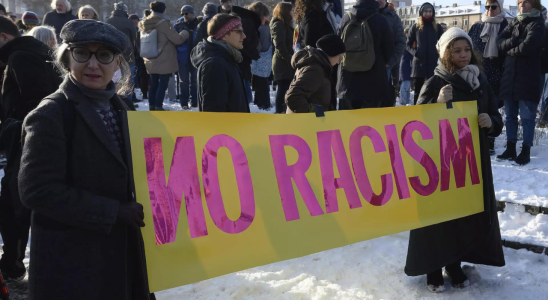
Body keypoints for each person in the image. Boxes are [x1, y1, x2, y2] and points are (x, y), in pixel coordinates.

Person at [19, 19, 154, 300]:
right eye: (82, 53)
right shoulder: (52, 114)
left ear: (117, 64)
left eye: (104, 55)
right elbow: (37, 191)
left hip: (121, 258)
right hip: (74, 264)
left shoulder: (124, 108)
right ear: (68, 58)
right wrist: (112, 211)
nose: (93, 65)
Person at [409, 27, 505, 293]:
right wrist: (437, 105)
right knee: (438, 215)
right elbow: (416, 124)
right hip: (440, 163)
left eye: (466, 50)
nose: (463, 55)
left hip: (471, 161)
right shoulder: (436, 82)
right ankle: (432, 267)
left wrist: (490, 122)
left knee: (462, 213)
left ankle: (453, 263)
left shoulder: (480, 81)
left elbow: (495, 117)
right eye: (456, 50)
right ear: (445, 53)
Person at [0, 16, 61, 282]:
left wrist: (13, 127)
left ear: (3, 37)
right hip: (29, 139)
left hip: (25, 140)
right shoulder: (30, 54)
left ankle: (15, 264)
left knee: (16, 204)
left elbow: (38, 104)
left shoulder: (20, 56)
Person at [496, 0, 545, 165]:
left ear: (534, 4)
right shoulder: (515, 21)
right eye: (519, 2)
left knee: (527, 117)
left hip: (527, 77)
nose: (522, 4)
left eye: (526, 1)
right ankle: (510, 148)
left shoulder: (537, 23)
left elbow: (528, 46)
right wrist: (513, 42)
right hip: (510, 75)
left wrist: (509, 51)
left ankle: (526, 151)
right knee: (510, 116)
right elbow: (499, 41)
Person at [468, 0, 509, 155]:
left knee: (492, 108)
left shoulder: (506, 27)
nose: (490, 10)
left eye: (494, 7)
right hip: (477, 74)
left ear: (500, 7)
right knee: (476, 107)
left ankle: (489, 141)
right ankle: (475, 138)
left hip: (497, 76)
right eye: (487, 7)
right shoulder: (477, 26)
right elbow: (470, 48)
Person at [337, 0, 394, 109]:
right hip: (374, 82)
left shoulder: (346, 19)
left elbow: (337, 46)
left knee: (348, 124)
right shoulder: (380, 20)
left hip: (347, 82)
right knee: (371, 123)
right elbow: (389, 49)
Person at [191, 13, 250, 112]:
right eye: (239, 32)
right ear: (223, 35)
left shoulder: (228, 58)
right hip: (227, 127)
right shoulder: (215, 65)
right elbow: (213, 112)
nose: (243, 36)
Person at [140, 1, 189, 111]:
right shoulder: (163, 23)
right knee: (163, 83)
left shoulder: (144, 22)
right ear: (163, 10)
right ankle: (158, 106)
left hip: (150, 56)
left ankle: (151, 105)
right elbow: (177, 39)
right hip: (164, 58)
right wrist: (185, 33)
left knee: (153, 83)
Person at [286, 34, 344, 113]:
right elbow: (293, 96)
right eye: (339, 57)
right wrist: (313, 113)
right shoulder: (315, 69)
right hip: (306, 123)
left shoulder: (318, 65)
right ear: (331, 53)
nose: (338, 62)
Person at [406, 2, 443, 104]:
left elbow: (443, 43)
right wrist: (416, 53)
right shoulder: (415, 27)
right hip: (419, 65)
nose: (428, 13)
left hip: (433, 65)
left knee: (433, 91)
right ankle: (417, 113)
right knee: (418, 92)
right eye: (426, 11)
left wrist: (439, 54)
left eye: (430, 11)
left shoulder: (437, 27)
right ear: (421, 13)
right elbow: (407, 44)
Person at [105, 2, 137, 101]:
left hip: (111, 56)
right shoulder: (129, 22)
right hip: (127, 56)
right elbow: (134, 38)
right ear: (125, 11)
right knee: (127, 81)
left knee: (111, 80)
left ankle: (112, 102)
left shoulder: (107, 21)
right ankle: (127, 104)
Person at [231, 5, 261, 105]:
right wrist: (254, 53)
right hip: (243, 57)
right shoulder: (247, 21)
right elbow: (245, 41)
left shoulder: (241, 19)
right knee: (244, 82)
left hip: (241, 56)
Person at [378, 0, 405, 107]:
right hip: (367, 65)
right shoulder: (366, 14)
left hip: (386, 66)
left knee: (384, 100)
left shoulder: (393, 17)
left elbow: (401, 41)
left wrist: (391, 61)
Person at [271, 2, 295, 113]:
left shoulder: (286, 24)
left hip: (286, 61)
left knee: (286, 88)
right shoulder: (279, 24)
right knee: (282, 88)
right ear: (285, 11)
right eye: (291, 10)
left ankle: (283, 110)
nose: (293, 12)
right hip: (282, 62)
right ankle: (279, 111)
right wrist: (290, 59)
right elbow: (280, 45)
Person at [175, 5, 201, 108]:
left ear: (192, 13)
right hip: (183, 57)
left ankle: (194, 101)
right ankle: (184, 102)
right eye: (183, 14)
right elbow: (174, 40)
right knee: (183, 81)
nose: (184, 15)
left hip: (196, 57)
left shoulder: (199, 24)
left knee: (195, 81)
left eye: (186, 13)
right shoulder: (178, 26)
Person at [249, 1, 271, 110]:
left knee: (260, 84)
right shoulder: (264, 27)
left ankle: (262, 104)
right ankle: (262, 103)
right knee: (262, 83)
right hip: (263, 59)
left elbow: (263, 46)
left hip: (260, 58)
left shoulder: (262, 28)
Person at [399, 27, 413, 106]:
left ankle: (406, 101)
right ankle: (403, 101)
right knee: (405, 84)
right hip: (406, 66)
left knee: (407, 85)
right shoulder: (405, 42)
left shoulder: (409, 42)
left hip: (408, 66)